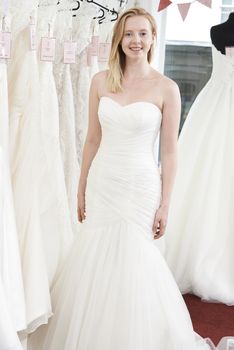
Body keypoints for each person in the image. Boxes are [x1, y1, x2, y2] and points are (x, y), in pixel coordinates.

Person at [30, 7, 215, 350]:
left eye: (143, 33)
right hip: (104, 181)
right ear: (119, 39)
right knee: (95, 254)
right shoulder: (102, 81)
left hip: (141, 185)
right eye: (129, 34)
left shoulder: (167, 88)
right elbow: (92, 139)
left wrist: (165, 204)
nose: (136, 40)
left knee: (136, 258)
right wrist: (81, 186)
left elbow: (171, 152)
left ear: (153, 38)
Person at [165, 12, 234, 305]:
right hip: (217, 110)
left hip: (217, 105)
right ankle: (203, 256)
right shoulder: (218, 30)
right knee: (210, 177)